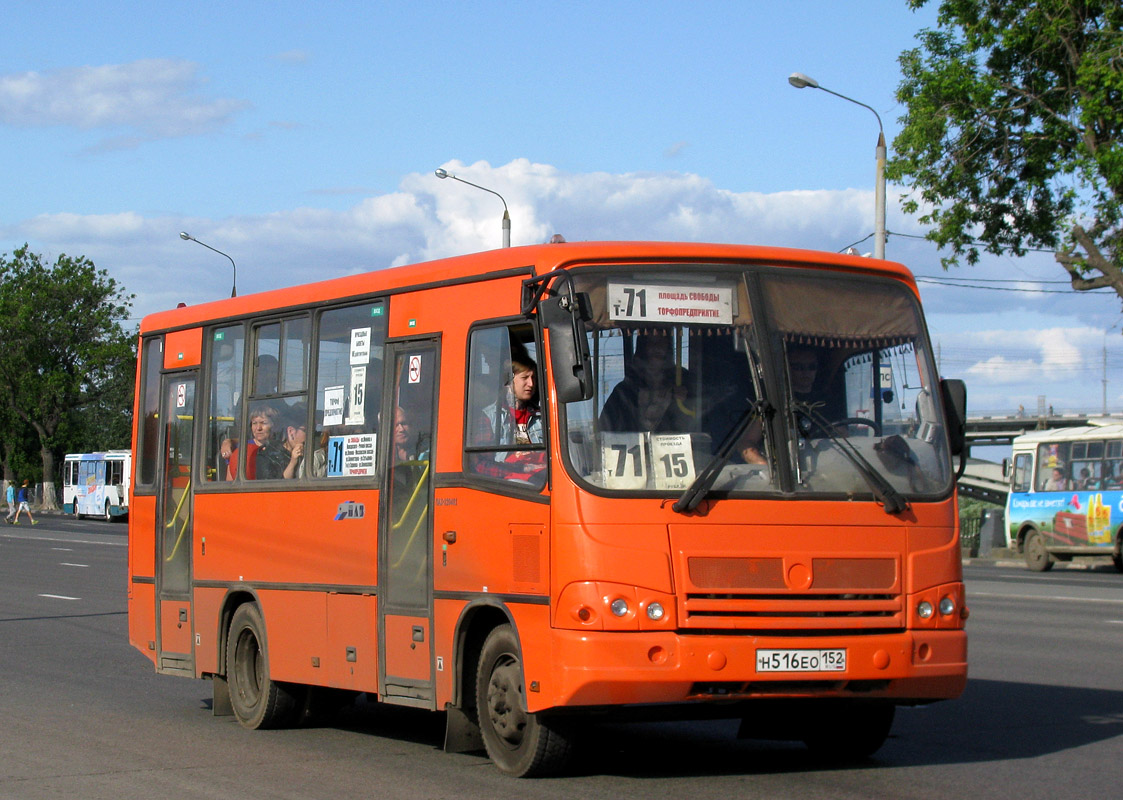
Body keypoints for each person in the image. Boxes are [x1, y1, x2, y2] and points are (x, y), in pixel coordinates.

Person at [472, 349, 545, 482]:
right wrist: (518, 471)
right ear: (508, 381)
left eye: (533, 378)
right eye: (525, 378)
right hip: (510, 485)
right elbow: (480, 464)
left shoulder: (542, 417)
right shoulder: (488, 417)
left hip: (543, 479)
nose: (531, 384)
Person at [600, 333, 693, 433]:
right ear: (642, 348)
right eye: (651, 343)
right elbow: (603, 431)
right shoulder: (624, 392)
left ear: (668, 348)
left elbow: (700, 420)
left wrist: (686, 402)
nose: (657, 348)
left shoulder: (685, 383)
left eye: (662, 343)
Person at [228, 404, 282, 480]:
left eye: (263, 423)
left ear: (275, 426)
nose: (258, 428)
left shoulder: (281, 449)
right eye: (254, 423)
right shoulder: (241, 450)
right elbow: (230, 482)